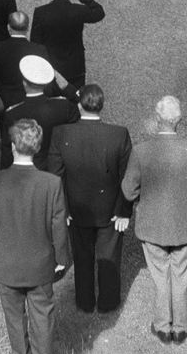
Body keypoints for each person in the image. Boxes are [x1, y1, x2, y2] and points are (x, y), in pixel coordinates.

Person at [0, 118, 71, 354]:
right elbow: (58, 225)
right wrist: (62, 259)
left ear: (12, 145)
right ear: (38, 147)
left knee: (14, 316)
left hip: (6, 262)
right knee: (42, 314)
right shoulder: (51, 183)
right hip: (40, 263)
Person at [121, 96, 187, 345]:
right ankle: (181, 327)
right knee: (180, 274)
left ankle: (162, 326)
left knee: (160, 275)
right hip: (183, 227)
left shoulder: (141, 151)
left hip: (152, 226)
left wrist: (142, 198)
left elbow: (129, 191)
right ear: (179, 120)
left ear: (157, 118)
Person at [47, 83, 133, 314]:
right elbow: (128, 176)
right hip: (112, 210)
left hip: (76, 209)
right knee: (111, 257)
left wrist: (62, 209)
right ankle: (109, 301)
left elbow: (55, 176)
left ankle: (84, 302)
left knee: (82, 257)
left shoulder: (61, 133)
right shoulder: (119, 133)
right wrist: (124, 211)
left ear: (79, 105)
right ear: (101, 105)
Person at [29, 0, 105, 90]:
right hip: (75, 67)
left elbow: (35, 43)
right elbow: (99, 12)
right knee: (74, 101)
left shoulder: (41, 12)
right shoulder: (78, 11)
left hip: (51, 68)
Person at [1, 55, 78, 169]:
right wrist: (67, 88)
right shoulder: (63, 106)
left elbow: (7, 151)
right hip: (56, 166)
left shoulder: (12, 113)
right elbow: (85, 107)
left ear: (24, 83)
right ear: (46, 83)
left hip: (26, 170)